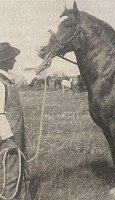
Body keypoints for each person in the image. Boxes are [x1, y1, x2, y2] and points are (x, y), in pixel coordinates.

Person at [0, 42, 51, 199]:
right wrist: (8, 140)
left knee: (21, 168)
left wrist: (41, 67)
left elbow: (24, 80)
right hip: (8, 137)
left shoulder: (7, 77)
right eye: (12, 58)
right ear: (4, 60)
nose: (15, 60)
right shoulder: (0, 83)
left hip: (17, 132)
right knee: (10, 173)